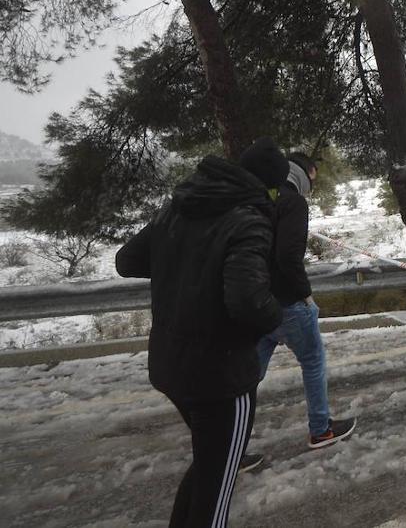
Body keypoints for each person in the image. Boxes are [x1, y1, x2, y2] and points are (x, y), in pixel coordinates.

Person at [116, 138, 288, 527]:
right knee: (216, 492)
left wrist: (186, 266)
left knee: (209, 467)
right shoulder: (249, 218)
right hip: (222, 376)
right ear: (268, 186)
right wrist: (275, 315)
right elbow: (248, 300)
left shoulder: (182, 204)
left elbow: (128, 260)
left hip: (170, 366)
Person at [249, 152, 355, 466]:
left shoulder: (260, 199)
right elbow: (288, 257)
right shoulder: (293, 202)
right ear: (304, 172)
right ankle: (320, 430)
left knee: (247, 377)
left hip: (257, 303)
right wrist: (305, 295)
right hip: (288, 303)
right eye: (314, 176)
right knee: (312, 361)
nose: (313, 184)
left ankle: (229, 446)